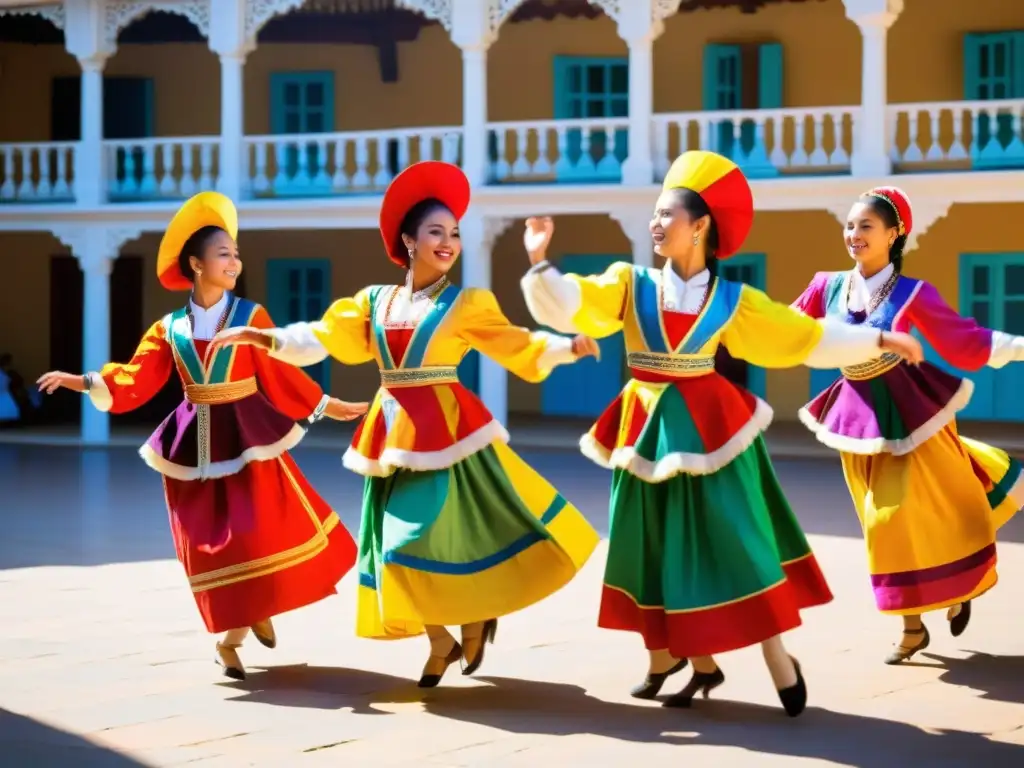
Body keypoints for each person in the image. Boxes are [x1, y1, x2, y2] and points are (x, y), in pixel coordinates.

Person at [518, 150, 924, 717]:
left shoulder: (734, 301)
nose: (655, 225)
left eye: (667, 215)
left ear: (700, 225)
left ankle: (776, 655)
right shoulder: (627, 284)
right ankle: (674, 659)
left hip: (713, 429)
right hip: (647, 431)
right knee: (647, 542)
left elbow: (802, 336)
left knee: (734, 541)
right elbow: (573, 304)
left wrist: (878, 340)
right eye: (653, 216)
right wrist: (540, 264)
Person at [206, 161, 602, 688]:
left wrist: (565, 346)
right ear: (408, 241)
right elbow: (323, 336)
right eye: (436, 232)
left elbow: (514, 341)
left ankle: (469, 620)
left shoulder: (466, 303)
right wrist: (264, 338)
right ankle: (443, 641)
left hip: (445, 432)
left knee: (413, 547)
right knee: (395, 553)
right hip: (391, 435)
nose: (448, 242)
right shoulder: (373, 302)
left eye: (455, 233)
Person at [36, 192, 365, 680]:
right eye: (224, 254)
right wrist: (83, 381)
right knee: (210, 547)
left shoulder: (251, 318)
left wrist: (324, 404)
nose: (235, 261)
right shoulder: (169, 329)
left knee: (258, 530)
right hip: (192, 446)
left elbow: (278, 372)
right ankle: (232, 636)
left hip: (248, 438)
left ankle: (249, 617)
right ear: (196, 263)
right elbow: (135, 377)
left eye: (236, 253)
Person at [792, 186, 1024, 664]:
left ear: (894, 233)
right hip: (854, 415)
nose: (853, 234)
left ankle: (952, 591)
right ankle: (914, 626)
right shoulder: (826, 285)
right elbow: (785, 329)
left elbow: (966, 340)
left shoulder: (912, 293)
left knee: (895, 518)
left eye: (865, 226)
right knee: (880, 525)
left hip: (911, 412)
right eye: (850, 225)